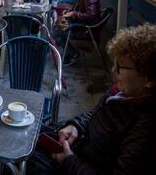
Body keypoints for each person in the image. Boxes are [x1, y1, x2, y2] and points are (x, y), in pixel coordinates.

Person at [27, 24, 156, 175]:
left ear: (149, 79)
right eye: (115, 63)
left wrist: (68, 161)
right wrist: (76, 126)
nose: (114, 70)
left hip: (78, 165)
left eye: (121, 67)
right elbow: (96, 113)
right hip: (79, 147)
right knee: (28, 133)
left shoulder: (146, 127)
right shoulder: (122, 92)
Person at [54, 0, 101, 66]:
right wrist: (68, 12)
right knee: (57, 28)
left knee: (59, 32)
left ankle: (73, 53)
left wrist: (73, 13)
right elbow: (81, 10)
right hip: (83, 25)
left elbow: (91, 15)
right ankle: (67, 51)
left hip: (87, 29)